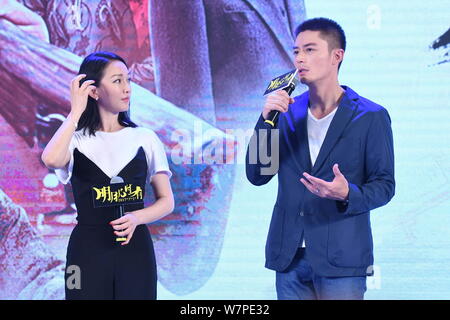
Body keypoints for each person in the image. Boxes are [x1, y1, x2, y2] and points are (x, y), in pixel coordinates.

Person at [245, 17, 395, 300]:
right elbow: (258, 175)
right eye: (297, 51)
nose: (300, 58)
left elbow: (385, 186)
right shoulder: (284, 112)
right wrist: (265, 122)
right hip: (289, 256)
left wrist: (347, 193)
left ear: (337, 56)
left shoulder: (371, 116)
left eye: (310, 50)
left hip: (342, 258)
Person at [41, 51, 174, 300]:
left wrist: (136, 218)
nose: (127, 89)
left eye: (128, 80)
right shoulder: (76, 140)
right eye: (117, 81)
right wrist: (75, 112)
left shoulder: (144, 138)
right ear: (93, 90)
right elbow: (50, 159)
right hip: (85, 253)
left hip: (136, 252)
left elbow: (166, 200)